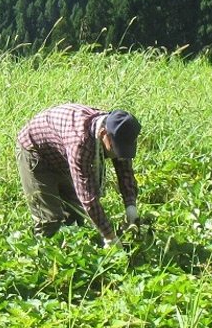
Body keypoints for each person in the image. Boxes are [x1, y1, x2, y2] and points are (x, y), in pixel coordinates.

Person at [16, 104, 141, 245]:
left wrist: (131, 207)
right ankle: (42, 257)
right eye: (115, 148)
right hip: (35, 153)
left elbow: (125, 170)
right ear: (103, 134)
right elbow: (87, 196)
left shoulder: (120, 131)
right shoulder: (80, 141)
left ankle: (71, 251)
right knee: (50, 220)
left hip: (61, 153)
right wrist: (110, 237)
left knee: (75, 214)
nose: (117, 153)